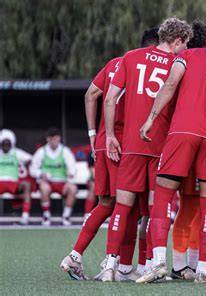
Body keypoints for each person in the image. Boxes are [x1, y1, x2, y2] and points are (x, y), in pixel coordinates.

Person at [59, 27, 162, 282]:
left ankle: (80, 256)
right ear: (155, 47)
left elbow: (91, 94)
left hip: (105, 142)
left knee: (108, 204)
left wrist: (93, 135)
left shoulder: (116, 63)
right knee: (128, 205)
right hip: (123, 143)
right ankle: (117, 263)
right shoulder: (145, 65)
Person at [136, 29, 206, 284]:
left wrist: (151, 118)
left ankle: (158, 262)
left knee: (162, 197)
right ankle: (201, 269)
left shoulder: (189, 55)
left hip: (183, 131)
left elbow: (170, 84)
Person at [99, 17, 192, 282]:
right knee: (156, 209)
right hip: (162, 145)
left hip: (131, 145)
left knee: (122, 207)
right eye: (183, 43)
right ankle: (153, 264)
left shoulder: (130, 57)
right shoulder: (179, 64)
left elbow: (110, 98)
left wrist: (108, 136)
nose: (183, 49)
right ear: (177, 41)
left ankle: (109, 265)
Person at [168, 20, 206, 281]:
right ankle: (179, 267)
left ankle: (194, 265)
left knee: (200, 209)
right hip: (189, 142)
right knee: (188, 206)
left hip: (205, 142)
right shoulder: (188, 59)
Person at [30, 127, 77, 226]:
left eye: (55, 139)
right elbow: (32, 169)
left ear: (59, 138)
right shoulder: (41, 152)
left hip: (62, 182)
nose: (53, 141)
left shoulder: (65, 151)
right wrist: (40, 174)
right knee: (43, 187)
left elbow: (72, 166)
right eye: (51, 139)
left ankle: (66, 216)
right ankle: (46, 216)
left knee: (73, 189)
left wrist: (71, 173)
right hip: (48, 182)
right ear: (48, 139)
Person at [0, 129, 33, 225]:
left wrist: (24, 163)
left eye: (8, 144)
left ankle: (25, 216)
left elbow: (30, 158)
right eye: (4, 144)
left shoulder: (16, 153)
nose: (6, 146)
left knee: (27, 184)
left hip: (13, 182)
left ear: (11, 144)